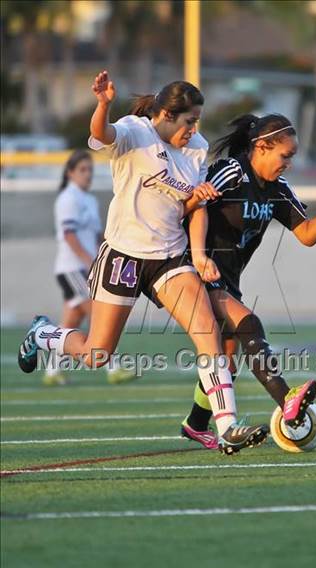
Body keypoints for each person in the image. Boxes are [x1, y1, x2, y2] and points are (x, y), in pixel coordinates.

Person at [18, 71, 269, 454]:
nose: (194, 128)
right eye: (188, 121)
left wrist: (198, 255)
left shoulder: (197, 148)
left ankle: (227, 426)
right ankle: (43, 334)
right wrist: (102, 105)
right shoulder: (135, 131)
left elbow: (195, 207)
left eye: (197, 121)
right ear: (166, 115)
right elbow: (101, 135)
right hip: (123, 255)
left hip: (168, 257)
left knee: (207, 331)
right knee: (97, 354)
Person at [180, 113, 316, 449]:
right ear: (261, 147)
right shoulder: (231, 172)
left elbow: (305, 234)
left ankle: (196, 424)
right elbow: (191, 207)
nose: (287, 164)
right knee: (249, 324)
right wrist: (198, 256)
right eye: (284, 156)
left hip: (227, 278)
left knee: (225, 366)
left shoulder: (277, 190)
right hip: (194, 270)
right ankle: (286, 398)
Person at [43, 149, 136, 386]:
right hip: (72, 268)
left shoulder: (90, 200)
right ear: (70, 173)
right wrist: (88, 261)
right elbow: (69, 235)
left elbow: (97, 236)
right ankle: (114, 368)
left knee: (70, 323)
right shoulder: (67, 198)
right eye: (82, 170)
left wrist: (100, 259)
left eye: (90, 170)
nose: (88, 175)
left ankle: (52, 370)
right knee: (100, 316)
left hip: (86, 268)